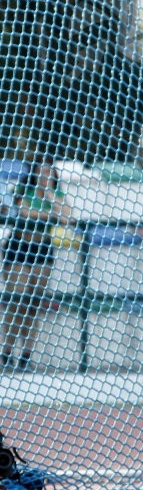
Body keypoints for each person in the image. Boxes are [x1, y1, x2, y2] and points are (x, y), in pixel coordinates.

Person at [1, 157, 70, 371]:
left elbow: (67, 217)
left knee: (33, 304)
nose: (44, 176)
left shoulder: (56, 195)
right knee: (16, 300)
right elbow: (25, 213)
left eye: (48, 172)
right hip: (20, 247)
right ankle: (6, 352)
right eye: (41, 172)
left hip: (42, 250)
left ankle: (26, 355)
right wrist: (50, 214)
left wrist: (48, 193)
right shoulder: (24, 191)